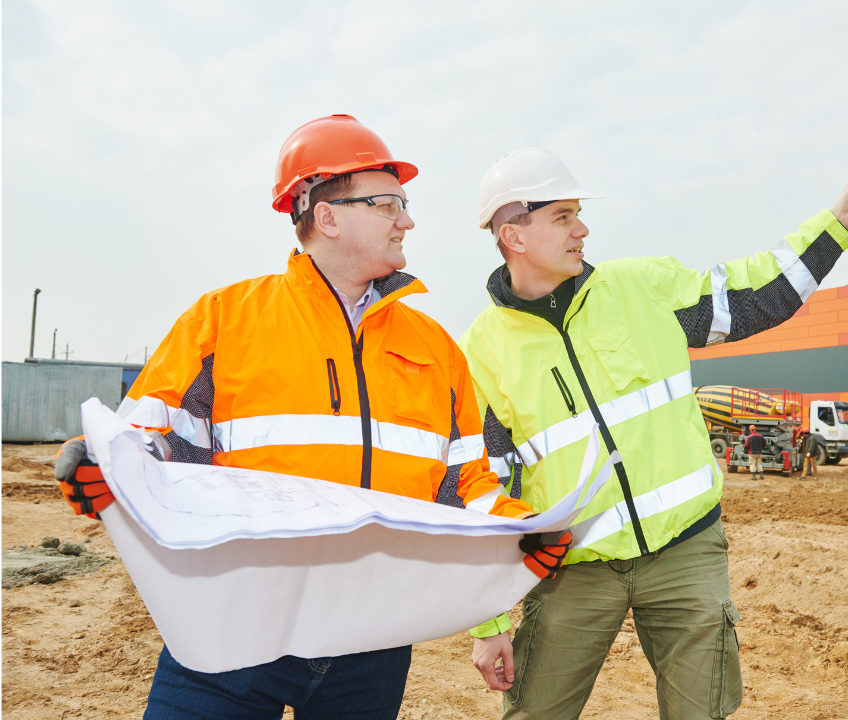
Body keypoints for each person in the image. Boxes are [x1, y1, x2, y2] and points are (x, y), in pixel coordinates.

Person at [51, 115, 567, 720]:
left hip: (370, 643)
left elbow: (464, 486)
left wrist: (523, 529)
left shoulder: (435, 348)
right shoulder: (224, 320)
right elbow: (155, 444)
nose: (408, 219)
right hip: (231, 635)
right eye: (389, 203)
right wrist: (106, 467)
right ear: (328, 217)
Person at [460, 147, 848, 719]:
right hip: (572, 567)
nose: (582, 228)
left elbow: (756, 296)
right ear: (514, 235)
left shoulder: (643, 289)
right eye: (563, 216)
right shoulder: (483, 351)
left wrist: (837, 223)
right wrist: (488, 622)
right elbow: (479, 489)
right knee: (534, 712)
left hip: (686, 552)